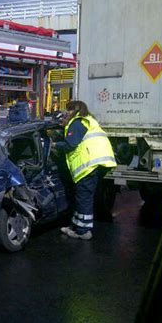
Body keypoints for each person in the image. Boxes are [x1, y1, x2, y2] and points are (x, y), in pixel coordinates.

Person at [53, 100, 117, 240]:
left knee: (84, 198)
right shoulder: (87, 120)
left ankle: (83, 231)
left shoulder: (77, 122)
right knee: (82, 196)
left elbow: (70, 144)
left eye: (69, 110)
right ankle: (77, 225)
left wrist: (54, 144)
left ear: (75, 110)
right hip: (96, 163)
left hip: (89, 164)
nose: (66, 113)